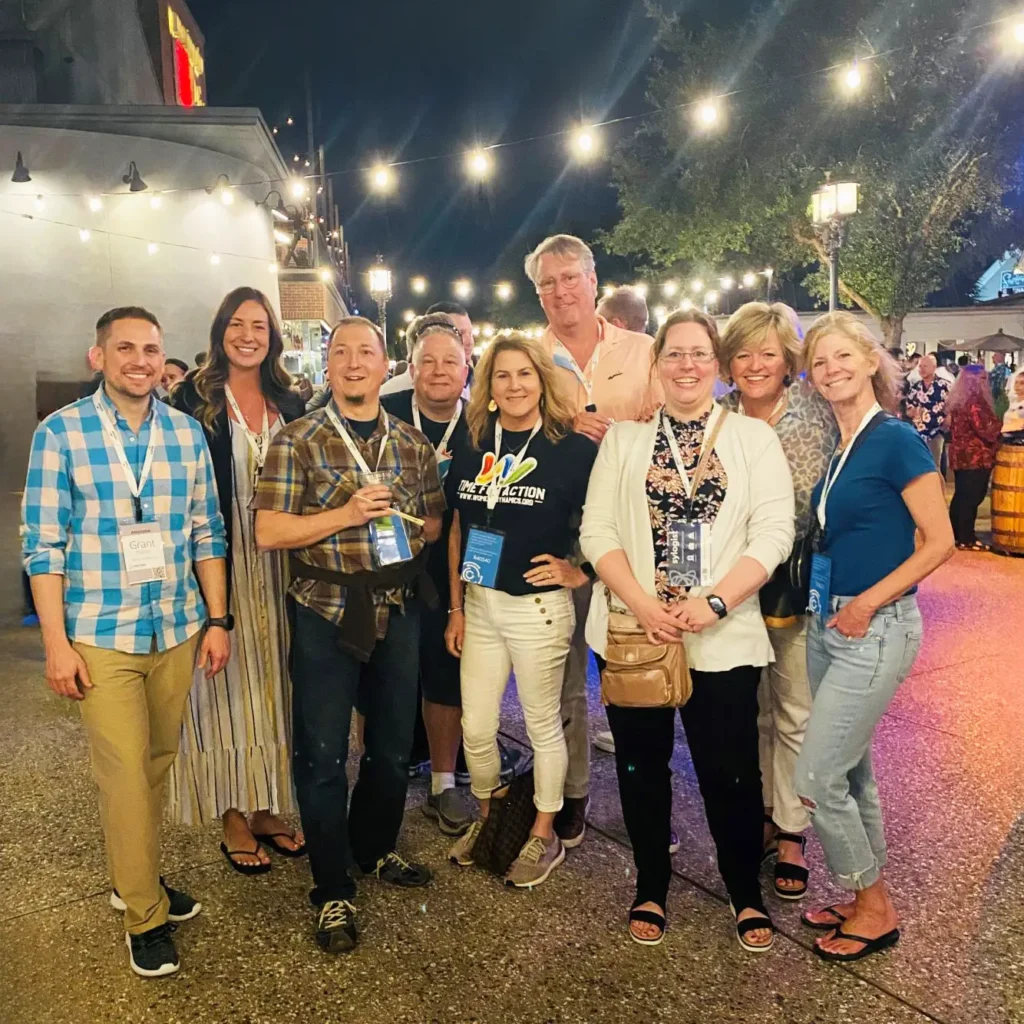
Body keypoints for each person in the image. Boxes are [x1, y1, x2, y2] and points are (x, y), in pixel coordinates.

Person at [22, 306, 229, 978]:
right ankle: (144, 914)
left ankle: (130, 874)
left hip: (174, 626)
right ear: (98, 357)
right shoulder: (61, 435)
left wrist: (217, 619)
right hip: (99, 635)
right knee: (124, 773)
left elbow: (208, 532)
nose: (140, 361)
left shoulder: (186, 433)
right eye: (125, 349)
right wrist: (56, 644)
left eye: (150, 349)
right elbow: (43, 545)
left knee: (155, 764)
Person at [579, 308, 794, 950]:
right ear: (657, 362)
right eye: (674, 353)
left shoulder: (754, 440)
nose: (688, 365)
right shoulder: (625, 441)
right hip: (636, 630)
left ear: (719, 365)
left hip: (722, 634)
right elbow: (598, 532)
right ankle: (651, 882)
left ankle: (742, 891)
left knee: (730, 771)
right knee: (642, 767)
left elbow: (774, 533)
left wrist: (718, 603)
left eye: (700, 353)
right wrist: (643, 603)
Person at [253, 316, 445, 954]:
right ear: (328, 364)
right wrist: (346, 514)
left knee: (393, 751)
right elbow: (270, 533)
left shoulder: (414, 444)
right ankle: (332, 887)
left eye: (367, 352)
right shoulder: (298, 439)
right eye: (343, 353)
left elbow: (436, 523)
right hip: (325, 610)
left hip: (398, 608)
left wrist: (414, 526)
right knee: (323, 754)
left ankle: (376, 848)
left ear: (384, 361)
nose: (355, 363)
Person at [796, 312, 953, 962]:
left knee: (816, 775)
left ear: (869, 358)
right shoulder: (842, 445)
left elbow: (940, 542)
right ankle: (862, 892)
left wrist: (867, 601)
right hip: (825, 621)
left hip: (874, 626)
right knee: (852, 771)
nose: (831, 370)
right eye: (819, 363)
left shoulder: (894, 440)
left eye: (841, 357)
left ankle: (876, 904)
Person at [444, 334, 598, 886]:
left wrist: (581, 570)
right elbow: (459, 527)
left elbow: (610, 522)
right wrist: (456, 608)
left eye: (525, 374)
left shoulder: (573, 449)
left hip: (539, 610)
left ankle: (542, 834)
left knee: (541, 726)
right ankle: (490, 822)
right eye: (502, 375)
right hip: (481, 606)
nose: (514, 385)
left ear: (542, 381)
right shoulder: (472, 441)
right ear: (488, 386)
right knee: (479, 728)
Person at [167, 288, 308, 872]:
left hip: (283, 562)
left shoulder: (291, 401)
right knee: (222, 688)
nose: (248, 334)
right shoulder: (191, 398)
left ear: (273, 335)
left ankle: (269, 803)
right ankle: (230, 811)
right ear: (220, 328)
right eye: (237, 323)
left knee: (279, 681)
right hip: (219, 559)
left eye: (259, 325)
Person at [528, 233, 663, 842]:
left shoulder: (642, 350)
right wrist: (560, 424)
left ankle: (648, 809)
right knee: (562, 680)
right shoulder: (528, 357)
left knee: (635, 676)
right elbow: (511, 436)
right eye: (547, 283)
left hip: (632, 538)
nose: (560, 291)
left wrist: (630, 434)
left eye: (569, 277)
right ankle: (573, 791)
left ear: (593, 280)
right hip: (560, 537)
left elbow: (677, 429)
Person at [718, 301, 838, 900]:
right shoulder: (714, 416)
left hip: (789, 580)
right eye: (743, 353)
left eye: (768, 352)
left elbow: (802, 508)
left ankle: (792, 828)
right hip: (725, 586)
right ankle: (766, 809)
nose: (755, 364)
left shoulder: (815, 413)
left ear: (788, 359)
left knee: (795, 708)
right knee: (753, 708)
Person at [380, 313, 475, 834]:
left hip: (459, 566)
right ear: (410, 369)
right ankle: (382, 775)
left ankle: (444, 782)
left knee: (446, 670)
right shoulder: (383, 412)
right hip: (387, 559)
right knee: (380, 669)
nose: (440, 371)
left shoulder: (485, 420)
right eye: (428, 362)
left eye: (451, 362)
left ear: (467, 369)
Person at [945, 364, 1002, 551]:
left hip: (960, 454)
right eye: (983, 379)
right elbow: (986, 429)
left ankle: (955, 535)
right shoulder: (976, 401)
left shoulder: (958, 400)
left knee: (961, 495)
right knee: (972, 497)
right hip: (976, 456)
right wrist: (1004, 426)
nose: (987, 382)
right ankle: (966, 538)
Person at [381, 301, 475, 396]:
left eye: (470, 334)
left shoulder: (477, 385)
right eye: (460, 333)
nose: (469, 342)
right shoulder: (388, 397)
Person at [902, 354, 949, 467]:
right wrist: (911, 412)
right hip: (918, 432)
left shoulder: (944, 385)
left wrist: (949, 416)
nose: (922, 369)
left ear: (934, 367)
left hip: (936, 432)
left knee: (934, 466)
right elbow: (908, 408)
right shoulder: (916, 387)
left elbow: (953, 405)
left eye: (925, 366)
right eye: (920, 366)